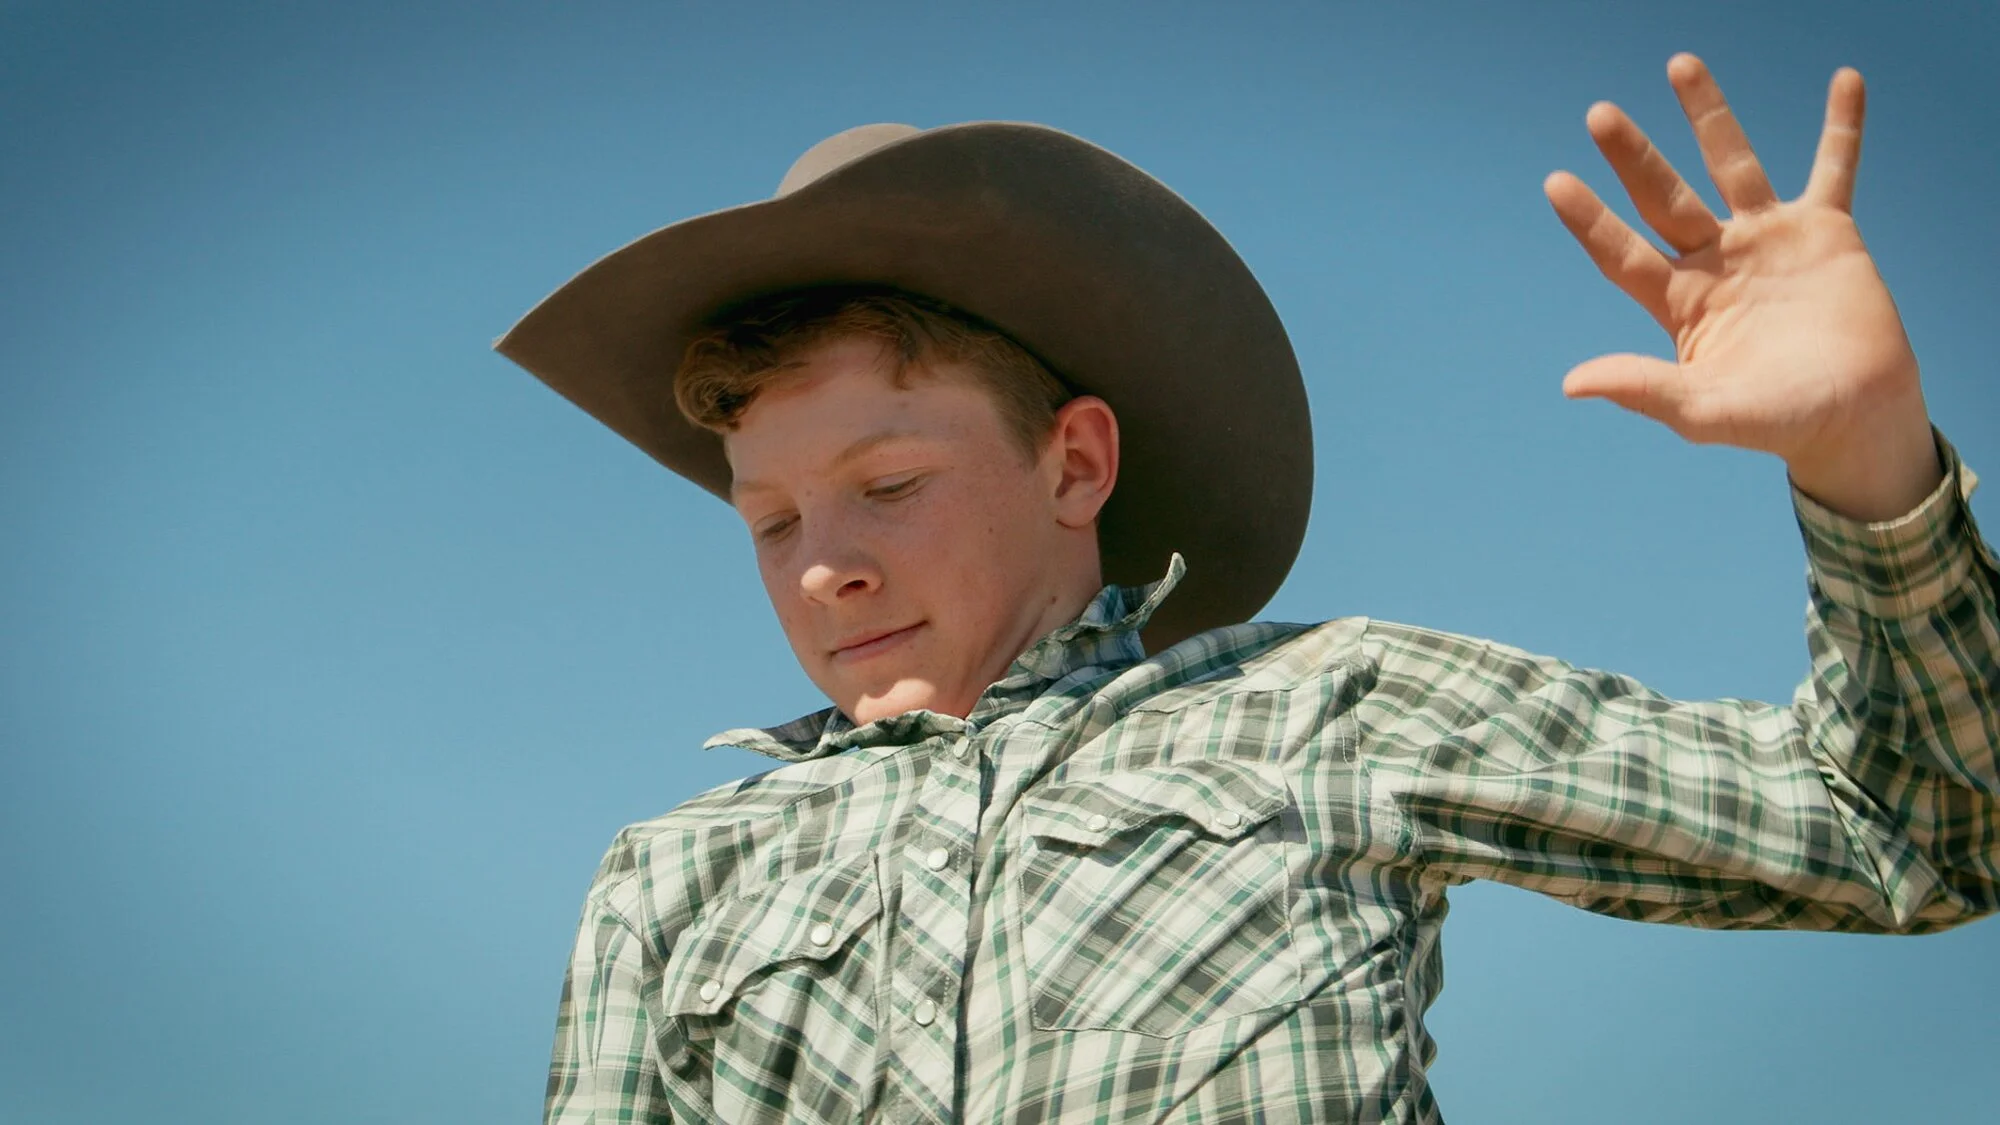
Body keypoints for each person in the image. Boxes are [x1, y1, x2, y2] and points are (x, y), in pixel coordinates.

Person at [495, 54, 1998, 1124]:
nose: (827, 564)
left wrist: (1869, 462)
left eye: (888, 486)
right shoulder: (673, 881)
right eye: (769, 521)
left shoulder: (1325, 712)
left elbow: (1908, 837)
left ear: (1075, 465)